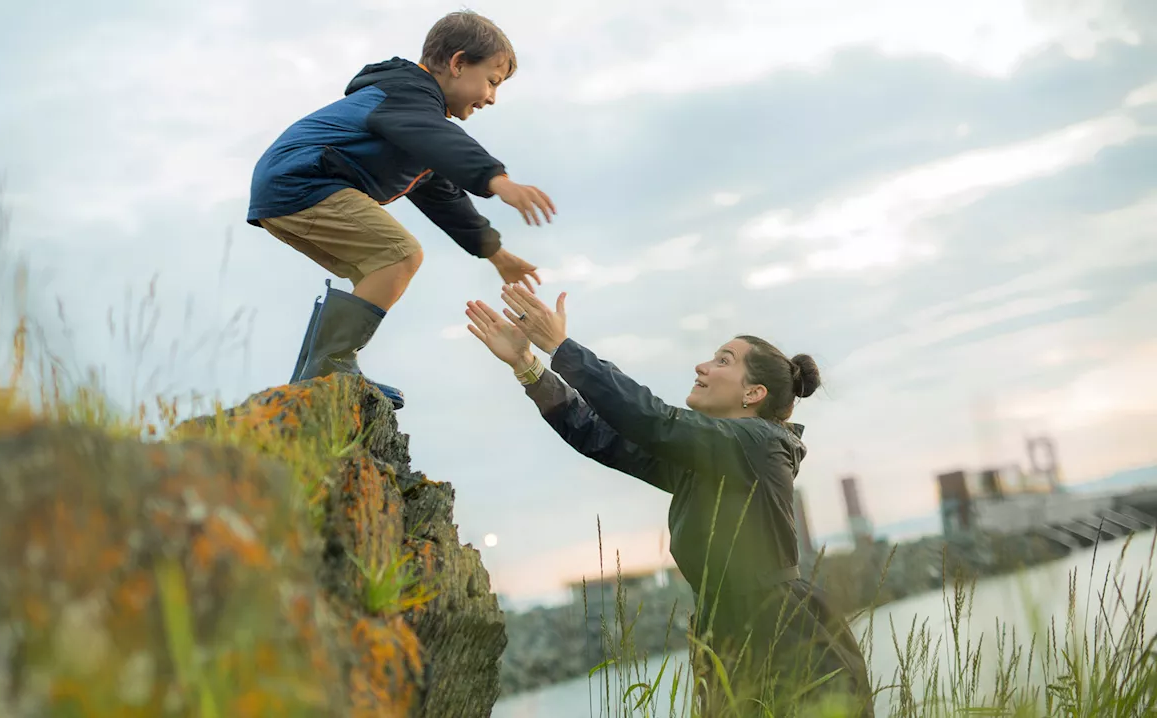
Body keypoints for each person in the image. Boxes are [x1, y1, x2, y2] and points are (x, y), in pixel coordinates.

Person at [464, 285, 875, 717]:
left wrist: (561, 347)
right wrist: (528, 366)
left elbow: (653, 419)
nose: (701, 366)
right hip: (729, 638)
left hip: (787, 639)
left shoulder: (760, 444)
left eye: (722, 361)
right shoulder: (710, 457)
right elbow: (601, 437)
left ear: (753, 394)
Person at [246, 10, 555, 410]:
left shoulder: (412, 118)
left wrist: (495, 254)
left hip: (287, 188)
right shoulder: (409, 95)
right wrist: (498, 180)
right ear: (458, 63)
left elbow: (445, 197)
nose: (492, 97)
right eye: (491, 81)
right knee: (400, 255)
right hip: (302, 180)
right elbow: (437, 137)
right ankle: (329, 370)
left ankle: (314, 379)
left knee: (375, 270)